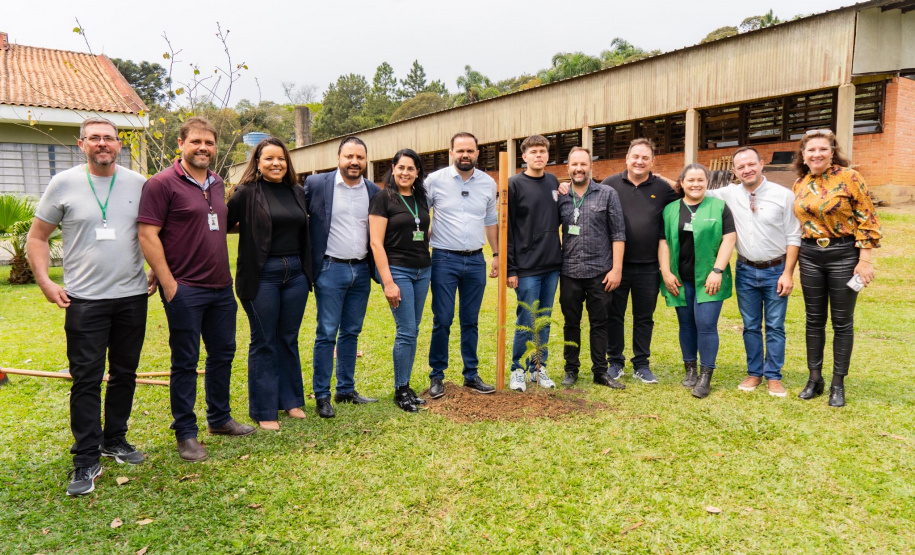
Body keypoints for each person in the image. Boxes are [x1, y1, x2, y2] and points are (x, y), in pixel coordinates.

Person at [27, 117, 153, 496]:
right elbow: (37, 237)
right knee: (86, 379)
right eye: (94, 138)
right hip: (84, 301)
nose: (102, 143)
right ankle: (85, 458)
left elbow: (154, 232)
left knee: (125, 373)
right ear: (81, 144)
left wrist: (156, 272)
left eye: (109, 138)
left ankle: (115, 439)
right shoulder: (63, 183)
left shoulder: (138, 183)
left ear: (119, 144)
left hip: (131, 297)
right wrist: (46, 281)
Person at [139, 117, 255, 463]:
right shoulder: (161, 184)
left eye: (209, 143)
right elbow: (148, 234)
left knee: (222, 355)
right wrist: (168, 282)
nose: (203, 148)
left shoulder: (218, 183)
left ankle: (219, 419)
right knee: (185, 361)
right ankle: (186, 434)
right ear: (181, 144)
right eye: (196, 142)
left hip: (221, 287)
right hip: (184, 288)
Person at [791, 129, 882, 407]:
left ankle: (837, 384)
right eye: (811, 150)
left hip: (843, 254)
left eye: (822, 149)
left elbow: (868, 219)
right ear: (803, 155)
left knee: (842, 323)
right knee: (813, 320)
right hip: (810, 255)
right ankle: (814, 378)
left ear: (832, 152)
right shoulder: (800, 183)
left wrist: (864, 261)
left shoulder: (850, 178)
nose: (816, 154)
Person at [226, 138, 312, 430]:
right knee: (264, 340)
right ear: (258, 163)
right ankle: (264, 409)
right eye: (269, 159)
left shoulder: (297, 191)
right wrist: (252, 230)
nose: (276, 164)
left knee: (287, 338)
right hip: (262, 274)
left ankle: (290, 401)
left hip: (296, 274)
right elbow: (224, 225)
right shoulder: (246, 193)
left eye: (282, 159)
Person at [705, 147, 801, 397]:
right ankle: (754, 373)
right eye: (741, 166)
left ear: (761, 164)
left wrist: (788, 273)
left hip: (776, 269)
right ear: (734, 171)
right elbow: (694, 189)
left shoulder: (783, 195)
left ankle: (774, 376)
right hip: (746, 269)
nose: (747, 169)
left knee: (775, 325)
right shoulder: (727, 193)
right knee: (750, 325)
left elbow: (794, 235)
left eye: (751, 164)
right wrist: (657, 177)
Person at [304, 136, 380, 418]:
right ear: (338, 158)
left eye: (360, 157)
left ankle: (345, 389)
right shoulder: (316, 185)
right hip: (329, 269)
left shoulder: (373, 190)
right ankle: (322, 395)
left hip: (360, 270)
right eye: (349, 156)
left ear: (365, 161)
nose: (354, 162)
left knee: (351, 331)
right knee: (326, 333)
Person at [425, 132, 499, 398]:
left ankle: (471, 375)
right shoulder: (434, 181)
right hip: (444, 259)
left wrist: (497, 254)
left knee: (471, 321)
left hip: (476, 260)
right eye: (460, 150)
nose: (465, 155)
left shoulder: (488, 184)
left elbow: (491, 220)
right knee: (442, 319)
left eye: (470, 150)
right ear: (451, 152)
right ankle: (437, 375)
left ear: (478, 153)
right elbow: (421, 217)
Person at [602, 139, 680, 384]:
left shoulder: (662, 188)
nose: (639, 161)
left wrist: (664, 178)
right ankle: (615, 361)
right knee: (614, 315)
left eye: (645, 158)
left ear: (653, 162)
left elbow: (685, 190)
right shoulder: (610, 184)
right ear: (627, 158)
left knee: (644, 317)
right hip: (616, 266)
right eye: (635, 156)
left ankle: (641, 364)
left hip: (648, 267)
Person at [659, 163, 736, 399]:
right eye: (690, 180)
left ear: (707, 182)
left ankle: (705, 376)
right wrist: (666, 272)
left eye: (700, 180)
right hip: (680, 280)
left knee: (706, 324)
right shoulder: (671, 209)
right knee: (686, 325)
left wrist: (717, 270)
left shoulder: (719, 206)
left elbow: (729, 238)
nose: (695, 184)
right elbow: (663, 242)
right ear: (682, 183)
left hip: (709, 279)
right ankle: (690, 369)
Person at [556, 147, 627, 389]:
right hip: (569, 271)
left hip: (600, 271)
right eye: (574, 164)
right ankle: (571, 370)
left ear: (590, 167)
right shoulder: (561, 196)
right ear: (568, 168)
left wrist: (616, 269)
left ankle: (600, 371)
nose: (578, 168)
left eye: (583, 164)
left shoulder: (607, 194)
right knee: (571, 323)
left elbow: (618, 233)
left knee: (600, 323)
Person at [369, 149, 431, 412]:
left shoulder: (421, 197)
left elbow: (424, 230)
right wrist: (388, 281)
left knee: (413, 329)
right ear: (393, 168)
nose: (405, 172)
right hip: (398, 271)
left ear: (418, 172)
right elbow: (375, 242)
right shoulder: (382, 198)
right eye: (401, 167)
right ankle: (400, 389)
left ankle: (405, 385)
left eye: (411, 168)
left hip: (423, 270)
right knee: (406, 330)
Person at [505, 135, 562, 391]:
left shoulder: (552, 181)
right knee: (527, 319)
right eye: (533, 152)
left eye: (542, 151)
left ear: (547, 156)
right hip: (526, 267)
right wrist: (511, 268)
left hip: (551, 264)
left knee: (544, 319)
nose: (538, 155)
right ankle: (517, 368)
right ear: (524, 156)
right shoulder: (514, 184)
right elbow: (507, 230)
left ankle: (537, 368)